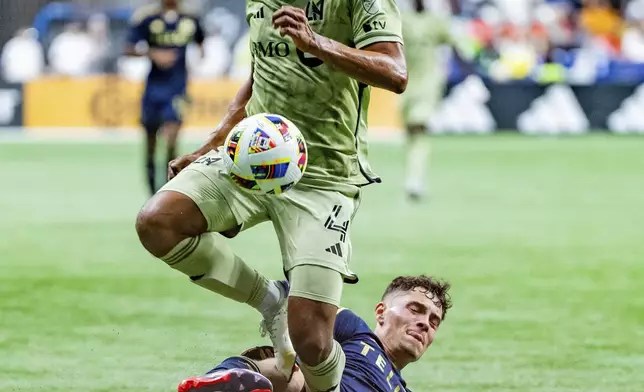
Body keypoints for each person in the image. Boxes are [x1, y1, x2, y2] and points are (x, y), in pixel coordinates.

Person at [135, 1, 408, 390]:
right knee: (158, 221)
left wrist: (315, 42)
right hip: (253, 158)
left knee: (312, 341)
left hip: (324, 177)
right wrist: (212, 142)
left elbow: (396, 73)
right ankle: (270, 302)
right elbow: (259, 69)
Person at [178, 275, 452, 392]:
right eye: (415, 309)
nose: (425, 323)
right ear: (381, 312)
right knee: (289, 368)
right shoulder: (358, 334)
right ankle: (219, 381)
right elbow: (299, 296)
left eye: (434, 321)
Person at [125, 0, 205, 195]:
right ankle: (152, 190)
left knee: (171, 139)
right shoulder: (148, 19)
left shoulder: (190, 20)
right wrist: (152, 54)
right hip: (153, 89)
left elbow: (202, 44)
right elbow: (128, 48)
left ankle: (168, 190)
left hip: (177, 89)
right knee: (151, 142)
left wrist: (195, 63)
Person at [399, 0, 469, 200]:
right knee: (411, 136)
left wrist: (469, 70)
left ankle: (414, 181)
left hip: (428, 86)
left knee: (418, 130)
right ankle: (412, 176)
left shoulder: (435, 21)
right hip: (405, 86)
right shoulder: (402, 21)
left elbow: (456, 44)